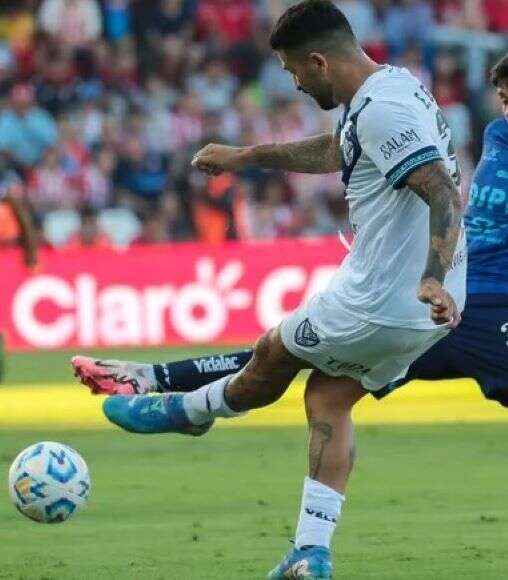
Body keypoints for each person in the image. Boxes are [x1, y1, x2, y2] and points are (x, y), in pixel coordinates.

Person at [73, 45, 508, 563]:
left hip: (497, 309)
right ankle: (167, 395)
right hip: (440, 300)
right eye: (504, 98)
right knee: (321, 377)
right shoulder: (496, 139)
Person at [76, 1, 466, 578]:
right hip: (428, 308)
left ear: (318, 61)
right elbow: (337, 150)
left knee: (273, 353)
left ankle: (189, 410)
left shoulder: (382, 110)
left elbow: (441, 190)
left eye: (294, 71)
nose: (296, 83)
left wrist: (430, 274)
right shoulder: (391, 90)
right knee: (328, 399)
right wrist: (246, 156)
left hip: (387, 296)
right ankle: (311, 553)